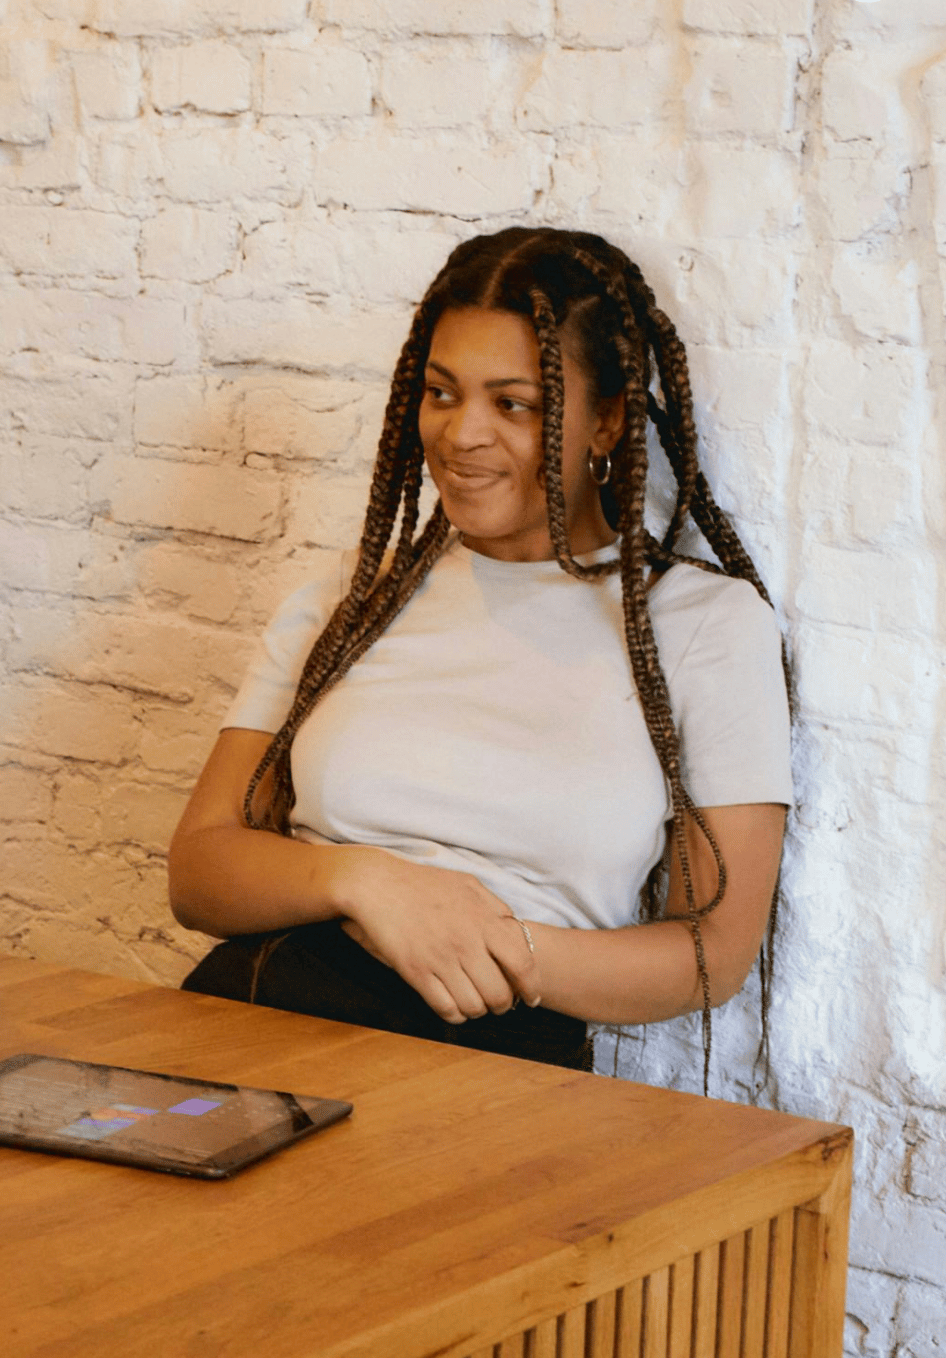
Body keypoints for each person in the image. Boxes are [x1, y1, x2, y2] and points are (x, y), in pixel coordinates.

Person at [169, 227, 792, 1082]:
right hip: (259, 1015)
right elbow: (201, 867)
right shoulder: (354, 599)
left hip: (502, 1059)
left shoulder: (706, 626)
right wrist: (366, 883)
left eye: (515, 403)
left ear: (607, 419)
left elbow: (712, 950)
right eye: (440, 392)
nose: (462, 434)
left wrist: (498, 948)